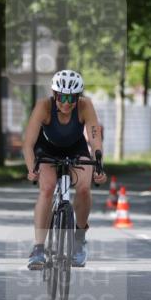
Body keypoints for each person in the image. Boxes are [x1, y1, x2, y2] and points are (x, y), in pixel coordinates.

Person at [23, 70, 106, 270]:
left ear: (78, 97)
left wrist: (99, 164)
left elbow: (94, 137)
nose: (66, 103)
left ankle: (79, 238)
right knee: (47, 188)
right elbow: (28, 143)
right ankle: (39, 248)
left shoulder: (85, 106)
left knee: (85, 188)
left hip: (76, 148)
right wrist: (30, 167)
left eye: (71, 98)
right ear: (54, 94)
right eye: (61, 97)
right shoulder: (44, 106)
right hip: (47, 149)